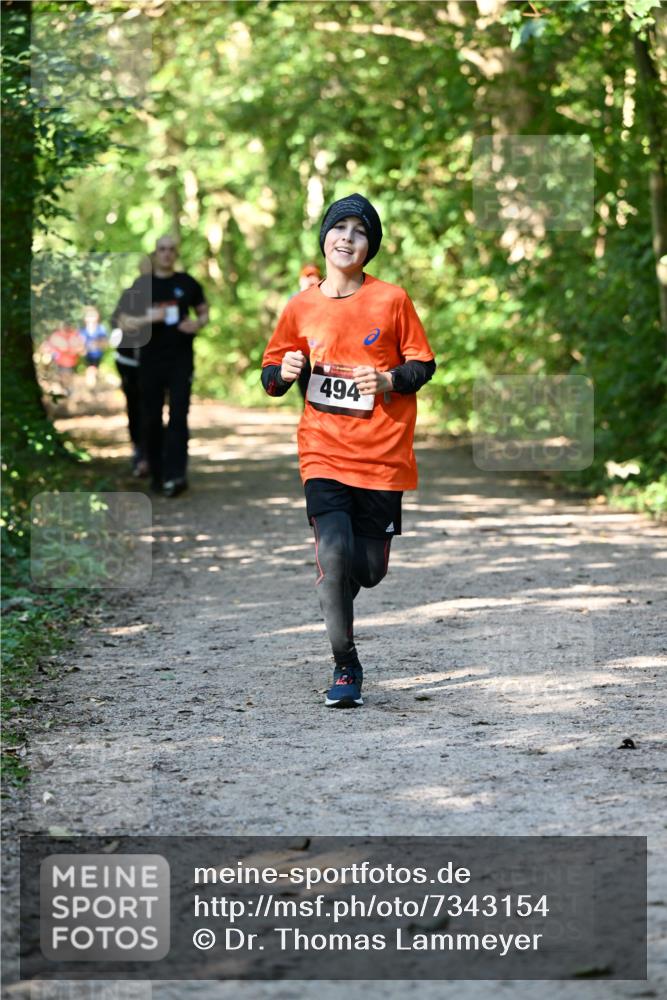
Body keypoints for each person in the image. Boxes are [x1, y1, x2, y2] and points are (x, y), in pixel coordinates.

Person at [262, 194, 436, 708]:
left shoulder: (392, 300)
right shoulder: (301, 306)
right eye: (340, 227)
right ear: (325, 237)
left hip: (382, 457)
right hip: (322, 453)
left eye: (360, 231)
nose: (347, 237)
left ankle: (338, 594)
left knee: (368, 571)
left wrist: (386, 379)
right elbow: (271, 374)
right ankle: (346, 666)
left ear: (369, 247)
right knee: (333, 560)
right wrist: (283, 374)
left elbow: (422, 365)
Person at [121, 235, 209, 498]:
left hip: (180, 361)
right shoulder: (142, 285)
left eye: (171, 250)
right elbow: (124, 321)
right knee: (151, 417)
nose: (167, 254)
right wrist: (149, 317)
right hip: (149, 362)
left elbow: (204, 312)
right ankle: (157, 475)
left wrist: (198, 323)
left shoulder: (188, 283)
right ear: (155, 253)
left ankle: (177, 475)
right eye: (162, 250)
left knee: (179, 416)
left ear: (176, 254)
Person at [110, 255, 153, 477]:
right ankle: (140, 454)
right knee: (136, 407)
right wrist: (148, 319)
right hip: (129, 362)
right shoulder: (132, 293)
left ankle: (153, 455)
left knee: (153, 408)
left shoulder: (165, 291)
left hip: (155, 363)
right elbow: (119, 321)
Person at [293, 263, 322, 401]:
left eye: (314, 276)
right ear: (301, 280)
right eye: (307, 276)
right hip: (303, 355)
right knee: (305, 395)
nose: (311, 280)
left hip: (322, 354)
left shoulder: (326, 297)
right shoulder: (294, 299)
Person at [44, 323, 84, 395]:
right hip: (58, 362)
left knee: (66, 376)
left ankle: (68, 390)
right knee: (62, 376)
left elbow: (80, 348)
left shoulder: (74, 335)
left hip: (69, 362)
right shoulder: (56, 336)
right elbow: (47, 346)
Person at [79, 306, 108, 388]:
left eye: (93, 315)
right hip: (87, 356)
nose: (91, 318)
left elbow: (104, 343)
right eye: (89, 316)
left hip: (97, 355)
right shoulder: (83, 331)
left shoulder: (101, 329)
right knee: (90, 370)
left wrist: (95, 345)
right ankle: (91, 387)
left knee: (93, 370)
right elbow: (81, 346)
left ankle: (92, 386)